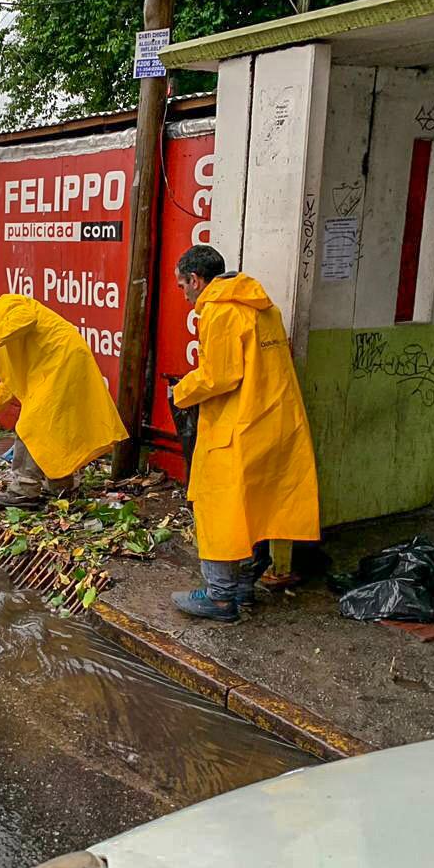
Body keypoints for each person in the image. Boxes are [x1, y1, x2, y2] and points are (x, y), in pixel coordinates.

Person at [169, 245, 320, 622]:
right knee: (258, 507)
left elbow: (221, 376)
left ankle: (220, 597)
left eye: (182, 284)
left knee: (217, 507)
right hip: (275, 422)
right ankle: (244, 588)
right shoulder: (263, 308)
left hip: (238, 424)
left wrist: (182, 391)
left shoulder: (219, 312)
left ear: (197, 280)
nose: (183, 293)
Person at [0, 288, 127, 508]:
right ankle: (61, 485)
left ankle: (25, 489)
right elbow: (17, 377)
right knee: (53, 428)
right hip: (54, 366)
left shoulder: (5, 306)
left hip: (61, 362)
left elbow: (27, 317)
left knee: (32, 426)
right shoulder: (2, 333)